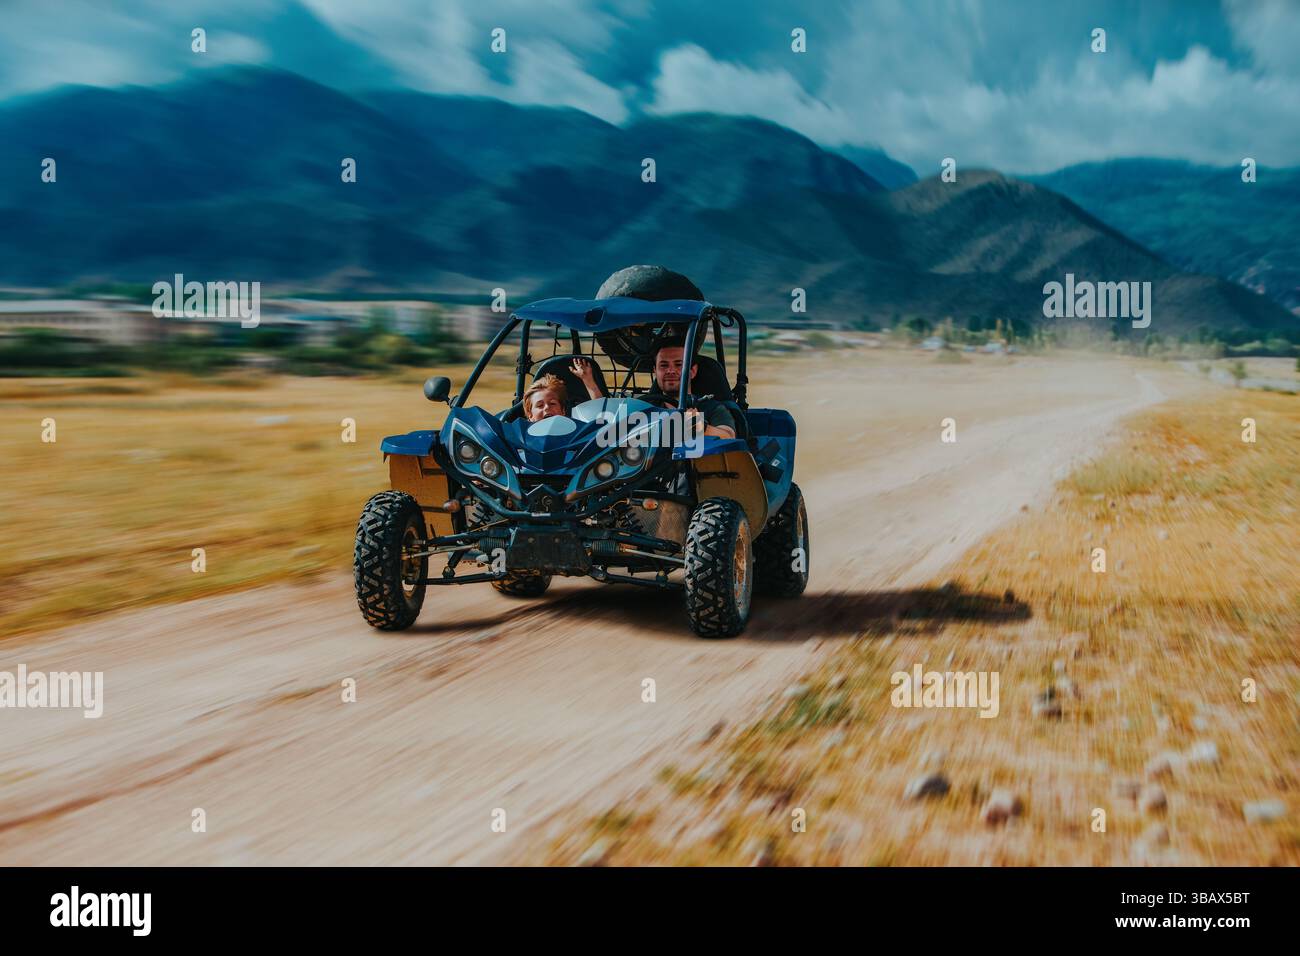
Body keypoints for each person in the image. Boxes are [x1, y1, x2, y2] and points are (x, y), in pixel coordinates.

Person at [642, 344, 736, 440]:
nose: (670, 371)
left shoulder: (711, 408)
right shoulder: (644, 410)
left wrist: (701, 428)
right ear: (655, 371)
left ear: (693, 371)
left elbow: (729, 436)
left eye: (678, 365)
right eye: (664, 365)